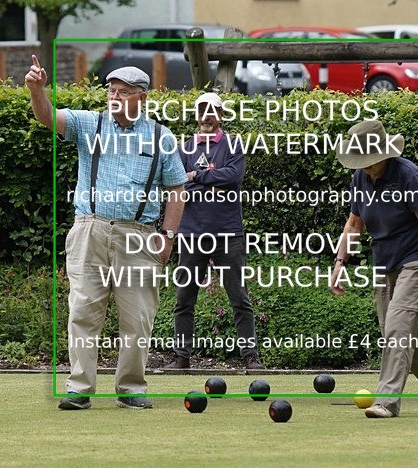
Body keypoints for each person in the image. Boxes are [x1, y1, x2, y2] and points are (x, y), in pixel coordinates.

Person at [25, 56, 187, 410]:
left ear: (142, 97)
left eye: (124, 92)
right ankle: (80, 388)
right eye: (111, 90)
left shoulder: (162, 136)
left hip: (139, 234)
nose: (115, 96)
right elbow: (48, 117)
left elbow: (177, 188)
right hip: (90, 229)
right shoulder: (90, 124)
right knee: (83, 310)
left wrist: (168, 235)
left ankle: (131, 389)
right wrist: (37, 90)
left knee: (138, 316)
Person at [330, 119, 418, 419]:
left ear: (385, 154)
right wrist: (339, 264)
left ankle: (386, 401)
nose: (364, 167)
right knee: (395, 332)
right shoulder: (361, 179)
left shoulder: (408, 175)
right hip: (383, 262)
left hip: (415, 260)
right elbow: (354, 224)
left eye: (369, 161)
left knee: (398, 331)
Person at [164, 92, 263, 371]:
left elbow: (234, 177)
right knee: (184, 298)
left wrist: (197, 176)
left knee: (239, 299)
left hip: (228, 234)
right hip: (191, 234)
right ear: (196, 115)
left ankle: (250, 357)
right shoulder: (183, 149)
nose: (207, 115)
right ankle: (181, 357)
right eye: (202, 110)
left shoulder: (233, 145)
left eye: (213, 110)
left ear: (221, 115)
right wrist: (210, 182)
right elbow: (178, 186)